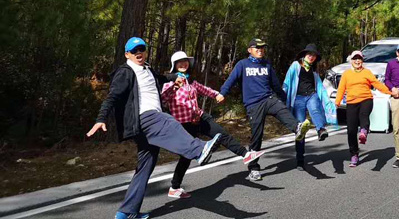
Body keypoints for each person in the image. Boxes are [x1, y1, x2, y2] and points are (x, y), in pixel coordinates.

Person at [87, 38, 221, 219]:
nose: (138, 53)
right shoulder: (125, 72)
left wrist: (176, 77)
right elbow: (112, 96)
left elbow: (161, 78)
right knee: (169, 121)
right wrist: (100, 118)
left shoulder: (148, 69)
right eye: (134, 51)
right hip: (144, 117)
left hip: (148, 122)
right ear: (127, 54)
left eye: (142, 49)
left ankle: (126, 212)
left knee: (146, 165)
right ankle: (199, 149)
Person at [159, 50, 266, 199]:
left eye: (185, 61)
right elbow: (164, 100)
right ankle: (174, 188)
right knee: (186, 157)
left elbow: (205, 90)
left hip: (199, 117)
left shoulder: (192, 82)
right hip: (184, 124)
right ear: (174, 65)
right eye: (179, 62)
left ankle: (246, 155)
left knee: (222, 134)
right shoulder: (169, 83)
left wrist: (217, 94)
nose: (183, 64)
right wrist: (175, 86)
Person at [219, 38, 312, 181]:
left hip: (268, 98)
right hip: (253, 104)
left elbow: (275, 85)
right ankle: (254, 168)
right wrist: (222, 93)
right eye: (257, 48)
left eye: (262, 48)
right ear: (250, 50)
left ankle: (297, 128)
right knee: (257, 136)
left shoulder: (267, 64)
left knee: (281, 108)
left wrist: (285, 98)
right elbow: (231, 80)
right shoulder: (242, 64)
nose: (260, 50)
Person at [335, 49, 394, 167]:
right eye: (355, 59)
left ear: (362, 61)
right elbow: (341, 88)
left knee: (364, 115)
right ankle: (354, 154)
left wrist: (390, 92)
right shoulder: (346, 74)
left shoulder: (367, 72)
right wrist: (337, 101)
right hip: (351, 102)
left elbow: (377, 84)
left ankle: (363, 132)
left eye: (359, 59)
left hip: (366, 99)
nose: (357, 61)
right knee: (351, 130)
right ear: (351, 61)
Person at [282, 43, 338, 170]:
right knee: (300, 129)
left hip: (311, 95)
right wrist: (282, 96)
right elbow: (286, 82)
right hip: (298, 99)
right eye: (309, 54)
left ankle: (321, 130)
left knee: (315, 109)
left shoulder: (314, 71)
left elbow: (320, 88)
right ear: (304, 55)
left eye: (314, 55)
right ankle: (300, 159)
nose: (311, 57)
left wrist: (328, 102)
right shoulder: (295, 66)